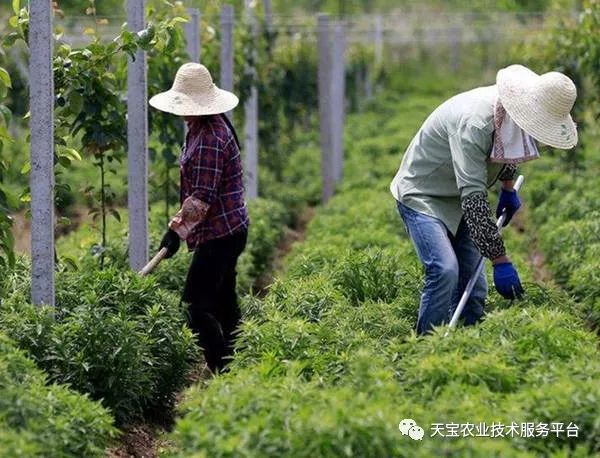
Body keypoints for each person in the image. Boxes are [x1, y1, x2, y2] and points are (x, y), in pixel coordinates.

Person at [390, 64, 577, 335]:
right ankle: (425, 350)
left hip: (460, 192)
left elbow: (509, 148)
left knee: (474, 287)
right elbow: (475, 201)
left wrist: (508, 188)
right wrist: (501, 260)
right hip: (424, 194)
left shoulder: (512, 112)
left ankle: (467, 348)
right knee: (444, 270)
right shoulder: (475, 123)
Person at [149, 63, 249, 372]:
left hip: (221, 233)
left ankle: (221, 370)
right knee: (223, 302)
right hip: (227, 228)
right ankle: (239, 363)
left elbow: (203, 196)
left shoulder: (209, 137)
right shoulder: (201, 127)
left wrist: (176, 232)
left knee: (195, 306)